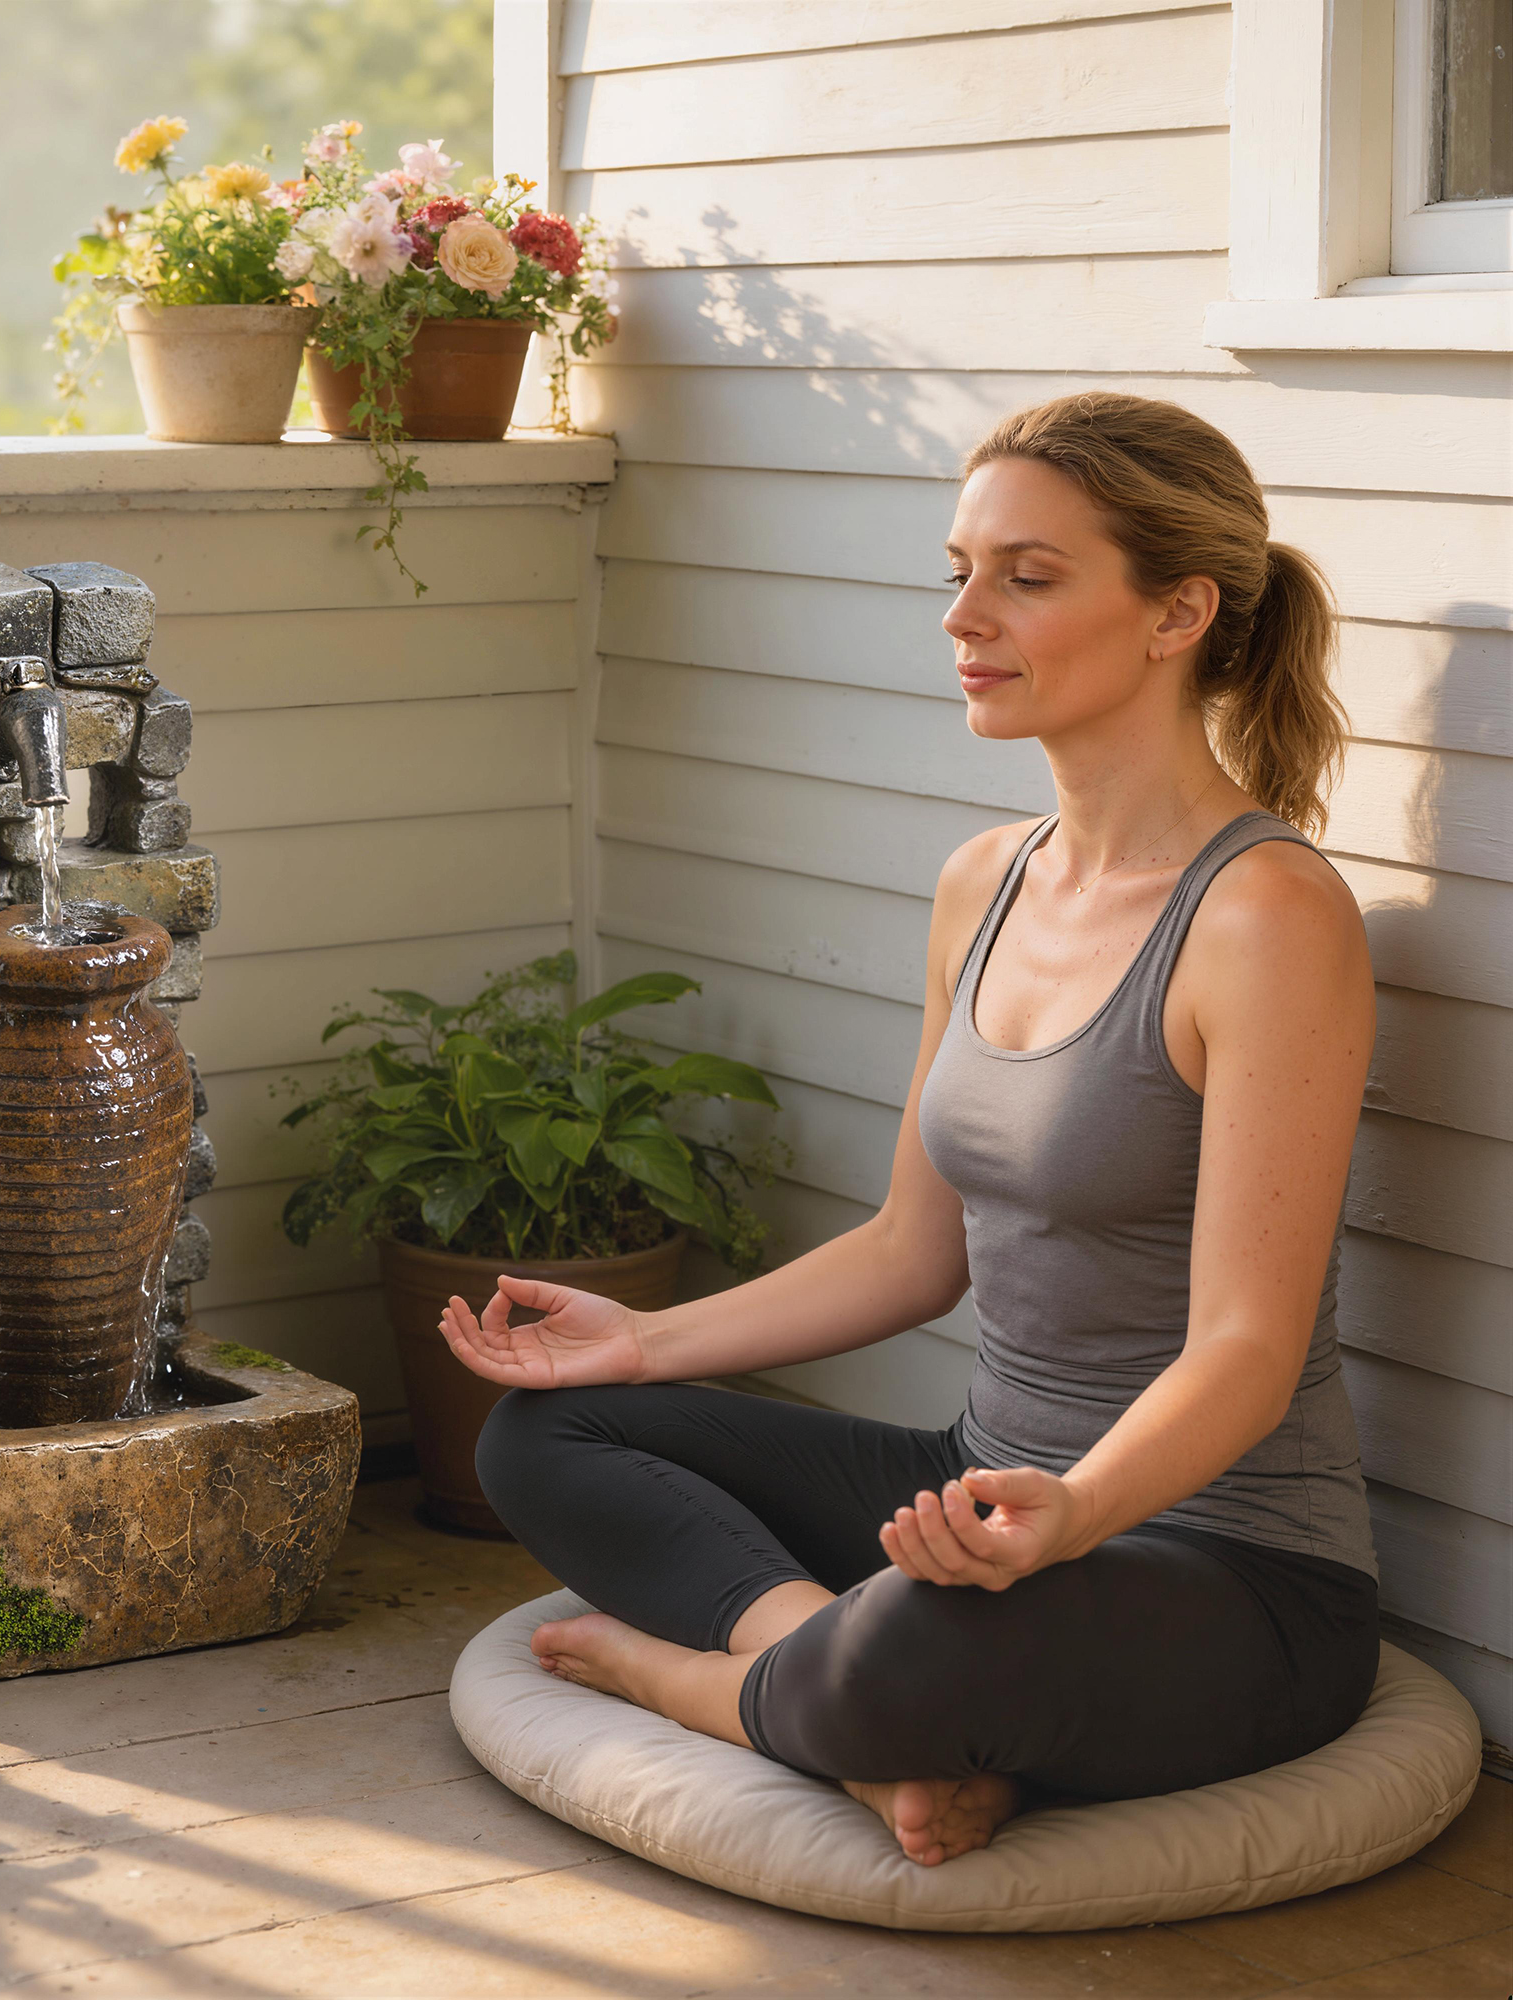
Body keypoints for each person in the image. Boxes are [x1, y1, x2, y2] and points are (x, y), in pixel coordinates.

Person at [440, 393, 1381, 1868]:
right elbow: (909, 1249)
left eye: (1028, 575)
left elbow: (1247, 1351)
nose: (964, 615)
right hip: (979, 1483)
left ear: (1176, 612)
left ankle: (715, 1685)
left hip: (1223, 1561)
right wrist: (642, 1341)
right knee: (547, 1432)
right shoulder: (985, 882)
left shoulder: (1265, 917)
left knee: (919, 1654)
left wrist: (1072, 1515)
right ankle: (836, 1690)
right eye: (959, 568)